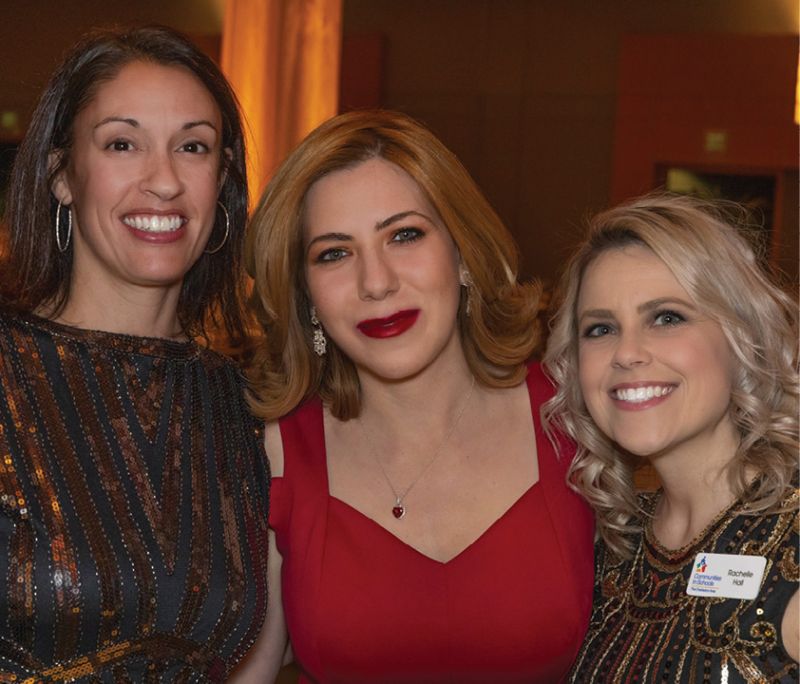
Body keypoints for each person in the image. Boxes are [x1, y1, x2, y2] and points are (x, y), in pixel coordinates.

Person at [242, 109, 594, 683]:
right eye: (334, 253)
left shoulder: (573, 420)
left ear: (462, 254)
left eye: (404, 235)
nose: (375, 282)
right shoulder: (278, 453)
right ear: (305, 295)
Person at [0, 27, 269, 681]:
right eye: (123, 143)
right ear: (62, 175)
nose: (164, 181)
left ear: (222, 180)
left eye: (193, 147)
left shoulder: (251, 408)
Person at [542, 194, 799, 683]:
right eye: (600, 328)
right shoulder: (609, 549)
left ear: (741, 337)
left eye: (666, 317)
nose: (627, 353)